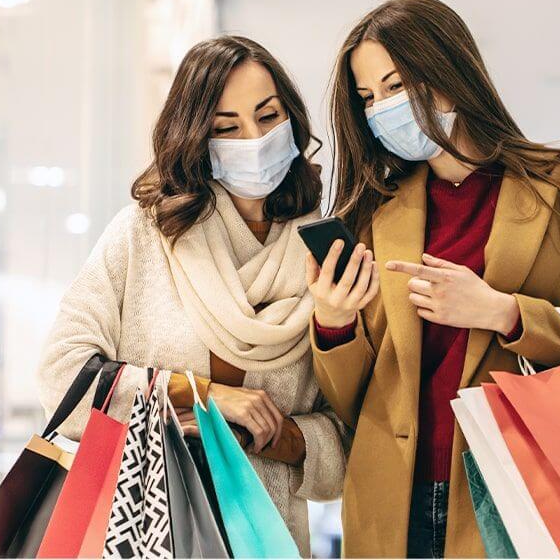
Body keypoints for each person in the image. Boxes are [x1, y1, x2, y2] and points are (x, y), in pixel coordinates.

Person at [306, 0, 560, 558]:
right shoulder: (374, 213)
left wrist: (505, 312)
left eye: (396, 87)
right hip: (391, 500)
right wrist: (335, 324)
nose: (380, 110)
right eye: (368, 98)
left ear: (448, 74)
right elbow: (354, 403)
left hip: (522, 490)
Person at [38, 35, 348, 554]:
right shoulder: (147, 235)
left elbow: (350, 437)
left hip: (263, 537)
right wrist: (204, 396)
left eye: (268, 117)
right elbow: (60, 377)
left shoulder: (323, 255)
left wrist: (275, 436)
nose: (253, 139)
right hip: (140, 531)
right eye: (227, 128)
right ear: (197, 140)